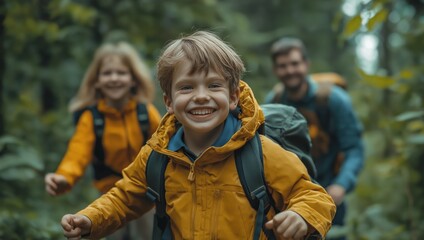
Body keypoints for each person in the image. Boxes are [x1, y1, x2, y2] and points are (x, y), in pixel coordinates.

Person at [59, 31, 336, 240]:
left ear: (232, 96)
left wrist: (302, 215)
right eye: (187, 88)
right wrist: (90, 219)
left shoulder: (261, 153)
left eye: (213, 85)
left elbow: (314, 196)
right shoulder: (158, 156)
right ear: (169, 101)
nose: (201, 97)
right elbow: (124, 198)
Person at [45, 42, 161, 239]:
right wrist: (64, 177)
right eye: (107, 73)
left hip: (144, 193)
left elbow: (165, 144)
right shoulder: (92, 118)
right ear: (97, 81)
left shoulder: (145, 112)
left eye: (121, 73)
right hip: (108, 196)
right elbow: (77, 152)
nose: (114, 78)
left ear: (133, 79)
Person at [265, 37, 364, 240]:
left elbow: (353, 148)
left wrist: (341, 185)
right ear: (275, 70)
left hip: (329, 194)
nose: (290, 70)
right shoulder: (272, 103)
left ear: (306, 65)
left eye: (294, 63)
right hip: (288, 200)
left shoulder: (334, 100)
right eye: (283, 66)